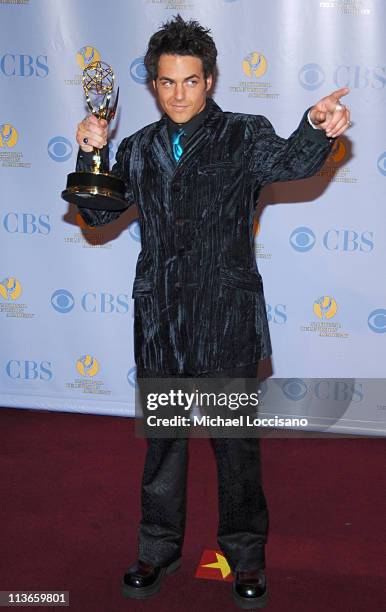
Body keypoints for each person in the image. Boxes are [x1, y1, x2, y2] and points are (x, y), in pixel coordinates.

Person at [74, 15, 351, 609]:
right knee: (163, 447)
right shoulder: (138, 147)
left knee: (235, 450)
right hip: (161, 321)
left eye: (190, 81)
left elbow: (292, 163)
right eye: (167, 82)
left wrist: (315, 126)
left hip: (225, 318)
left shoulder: (244, 135)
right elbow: (98, 216)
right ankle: (157, 549)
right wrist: (91, 155)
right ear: (153, 84)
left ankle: (245, 558)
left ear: (210, 80)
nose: (179, 94)